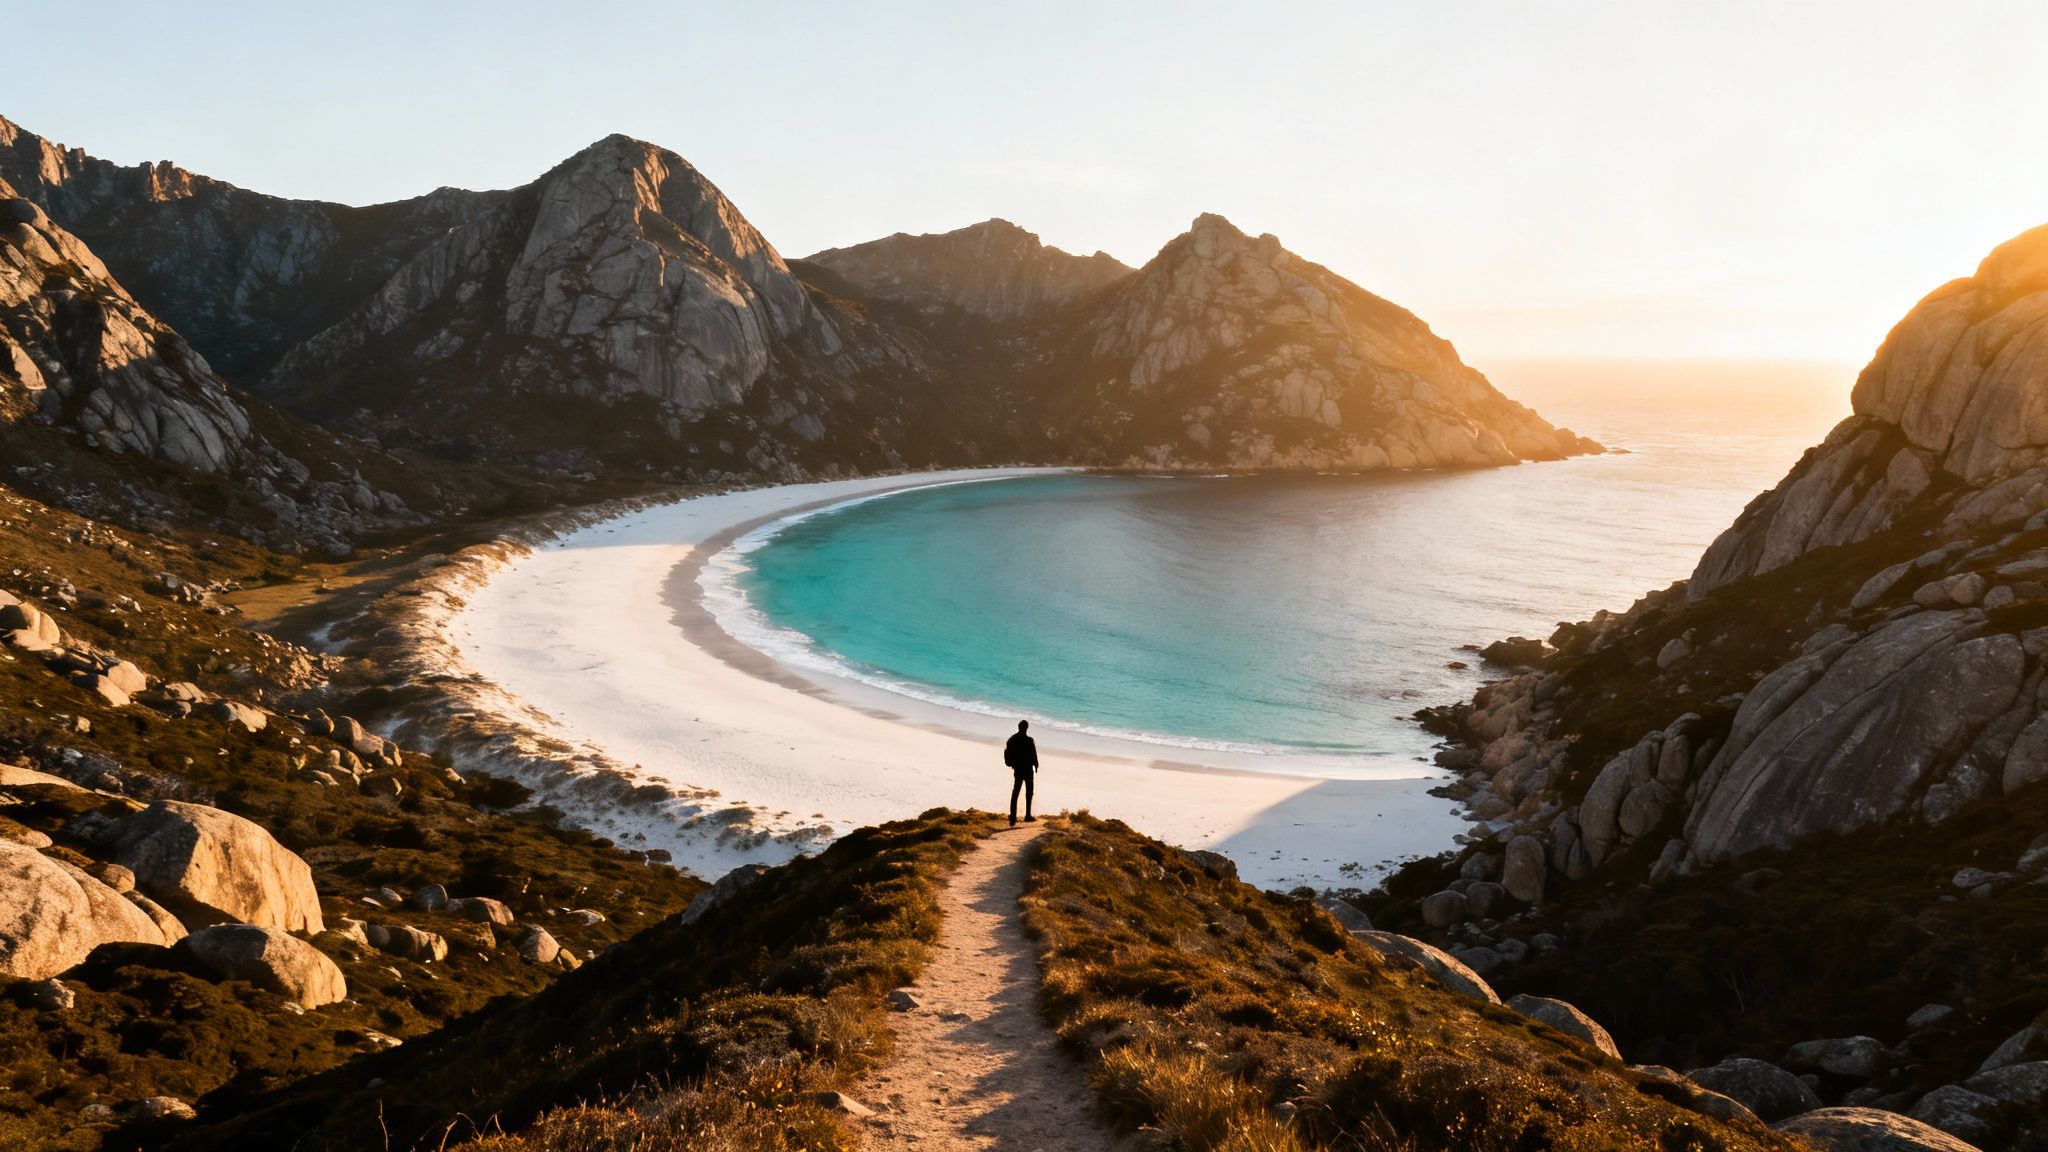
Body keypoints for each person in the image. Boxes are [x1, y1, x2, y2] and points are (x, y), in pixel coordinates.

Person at [1003, 720, 1038, 826]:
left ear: (1018, 727)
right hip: (1027, 769)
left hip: (1018, 769)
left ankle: (1013, 816)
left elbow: (1007, 753)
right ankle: (1027, 815)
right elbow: (1034, 755)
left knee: (1016, 791)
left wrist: (1012, 764)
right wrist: (1036, 765)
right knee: (1029, 792)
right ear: (1026, 728)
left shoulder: (1012, 739)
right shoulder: (1029, 740)